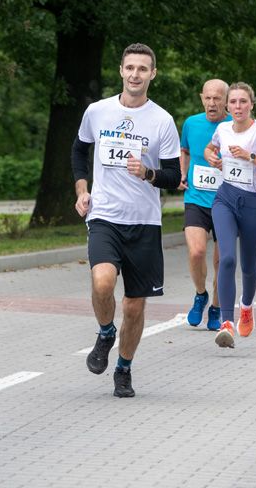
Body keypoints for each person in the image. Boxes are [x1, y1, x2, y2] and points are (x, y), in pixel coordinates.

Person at [71, 43, 181, 398]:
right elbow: (78, 149)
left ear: (153, 74)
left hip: (144, 223)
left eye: (143, 69)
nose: (135, 74)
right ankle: (105, 333)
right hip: (104, 215)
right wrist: (82, 188)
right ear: (121, 70)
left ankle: (124, 369)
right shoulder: (97, 111)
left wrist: (147, 173)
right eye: (130, 67)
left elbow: (173, 174)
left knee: (135, 305)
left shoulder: (162, 120)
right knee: (102, 283)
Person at [204, 82, 256, 348]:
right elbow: (209, 148)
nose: (238, 107)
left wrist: (251, 156)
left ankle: (247, 307)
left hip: (254, 204)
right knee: (226, 258)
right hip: (225, 199)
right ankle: (226, 323)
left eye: (243, 102)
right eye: (233, 102)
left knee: (249, 266)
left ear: (252, 104)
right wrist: (211, 158)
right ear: (227, 106)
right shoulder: (222, 128)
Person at [178, 79, 230, 330]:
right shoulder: (191, 123)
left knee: (222, 260)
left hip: (227, 203)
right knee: (196, 251)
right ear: (202, 98)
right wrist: (181, 173)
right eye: (208, 98)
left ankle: (217, 308)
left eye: (217, 98)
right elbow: (185, 151)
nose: (212, 103)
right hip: (196, 198)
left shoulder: (236, 126)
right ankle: (201, 295)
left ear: (227, 100)